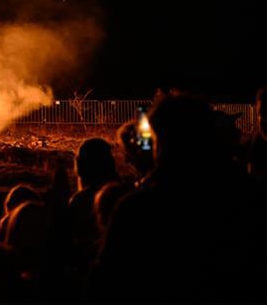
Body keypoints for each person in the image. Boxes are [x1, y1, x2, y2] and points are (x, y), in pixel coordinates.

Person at [89, 94, 266, 303]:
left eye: (156, 140)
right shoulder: (249, 195)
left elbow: (103, 287)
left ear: (162, 143)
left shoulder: (139, 209)